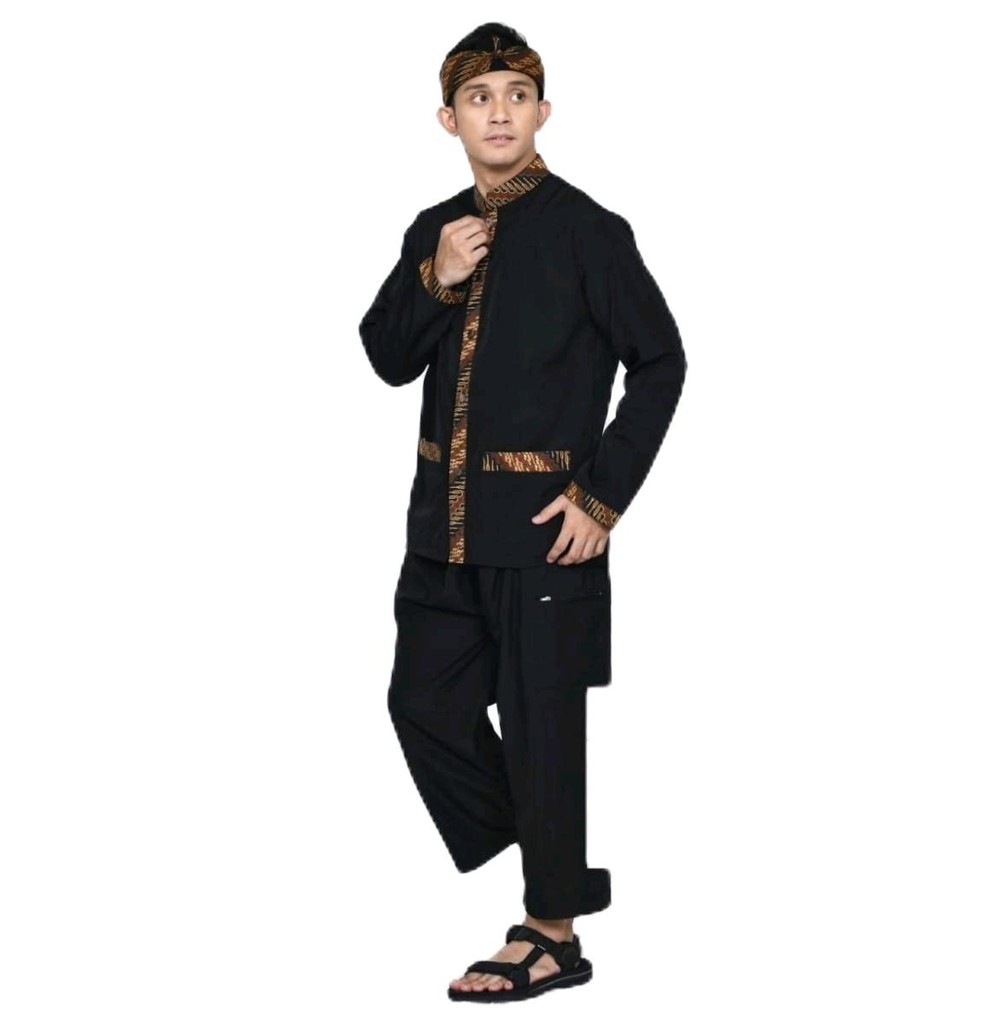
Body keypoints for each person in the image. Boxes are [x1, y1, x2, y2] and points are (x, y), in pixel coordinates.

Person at [358, 22, 687, 1002]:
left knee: (544, 729)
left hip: (547, 534)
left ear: (543, 112)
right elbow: (385, 356)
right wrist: (437, 280)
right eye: (478, 98)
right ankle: (553, 849)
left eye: (514, 95)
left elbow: (661, 362)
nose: (497, 113)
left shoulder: (588, 231)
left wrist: (602, 497)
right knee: (422, 704)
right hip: (441, 534)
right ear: (447, 119)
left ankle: (552, 934)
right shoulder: (435, 230)